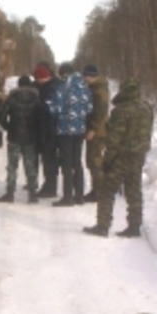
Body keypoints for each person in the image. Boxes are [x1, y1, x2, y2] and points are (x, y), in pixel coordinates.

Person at [84, 79, 154, 238]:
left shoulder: (121, 110)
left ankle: (102, 225)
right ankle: (134, 226)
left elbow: (114, 139)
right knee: (134, 190)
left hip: (122, 157)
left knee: (107, 190)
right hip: (139, 155)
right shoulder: (147, 108)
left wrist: (107, 160)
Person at [47, 61, 92, 206]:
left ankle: (67, 197)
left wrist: (49, 104)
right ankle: (79, 196)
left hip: (65, 129)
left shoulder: (63, 87)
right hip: (80, 130)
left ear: (63, 74)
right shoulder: (85, 87)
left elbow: (55, 109)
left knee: (66, 163)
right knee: (77, 162)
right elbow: (89, 108)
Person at [0, 75, 42, 203]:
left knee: (12, 166)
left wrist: (8, 127)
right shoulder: (36, 98)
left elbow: (1, 115)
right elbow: (42, 118)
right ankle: (33, 194)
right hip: (31, 137)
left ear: (19, 84)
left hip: (14, 135)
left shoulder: (12, 98)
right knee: (30, 165)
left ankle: (10, 194)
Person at [83, 65, 109, 202]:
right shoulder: (95, 88)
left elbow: (100, 112)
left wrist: (92, 129)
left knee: (94, 161)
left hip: (98, 132)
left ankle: (99, 192)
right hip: (98, 130)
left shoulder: (98, 90)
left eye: (85, 76)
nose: (84, 78)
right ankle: (97, 190)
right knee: (93, 160)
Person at [33, 63, 59, 198]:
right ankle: (49, 185)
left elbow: (48, 112)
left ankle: (50, 187)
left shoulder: (50, 89)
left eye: (38, 78)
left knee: (49, 160)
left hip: (49, 131)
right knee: (48, 160)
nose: (37, 81)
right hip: (47, 130)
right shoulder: (48, 87)